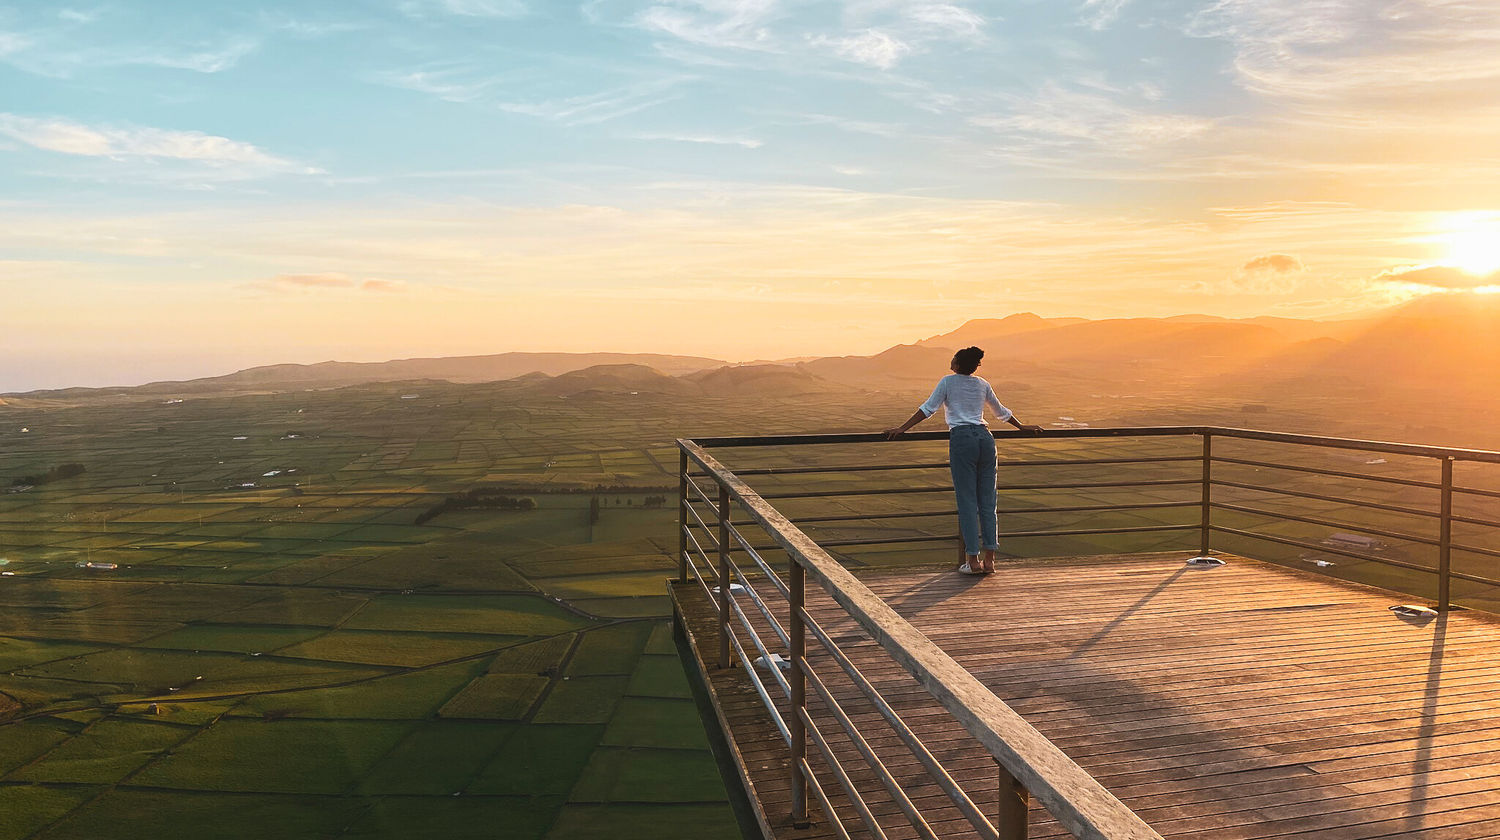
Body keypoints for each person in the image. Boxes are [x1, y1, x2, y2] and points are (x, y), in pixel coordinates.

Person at [883, 347, 1041, 575]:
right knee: (988, 501)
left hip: (963, 439)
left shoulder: (948, 382)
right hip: (986, 439)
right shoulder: (982, 384)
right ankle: (990, 561)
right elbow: (1000, 412)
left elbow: (928, 409)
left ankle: (973, 562)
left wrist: (903, 428)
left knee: (967, 501)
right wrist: (1022, 426)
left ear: (956, 363)